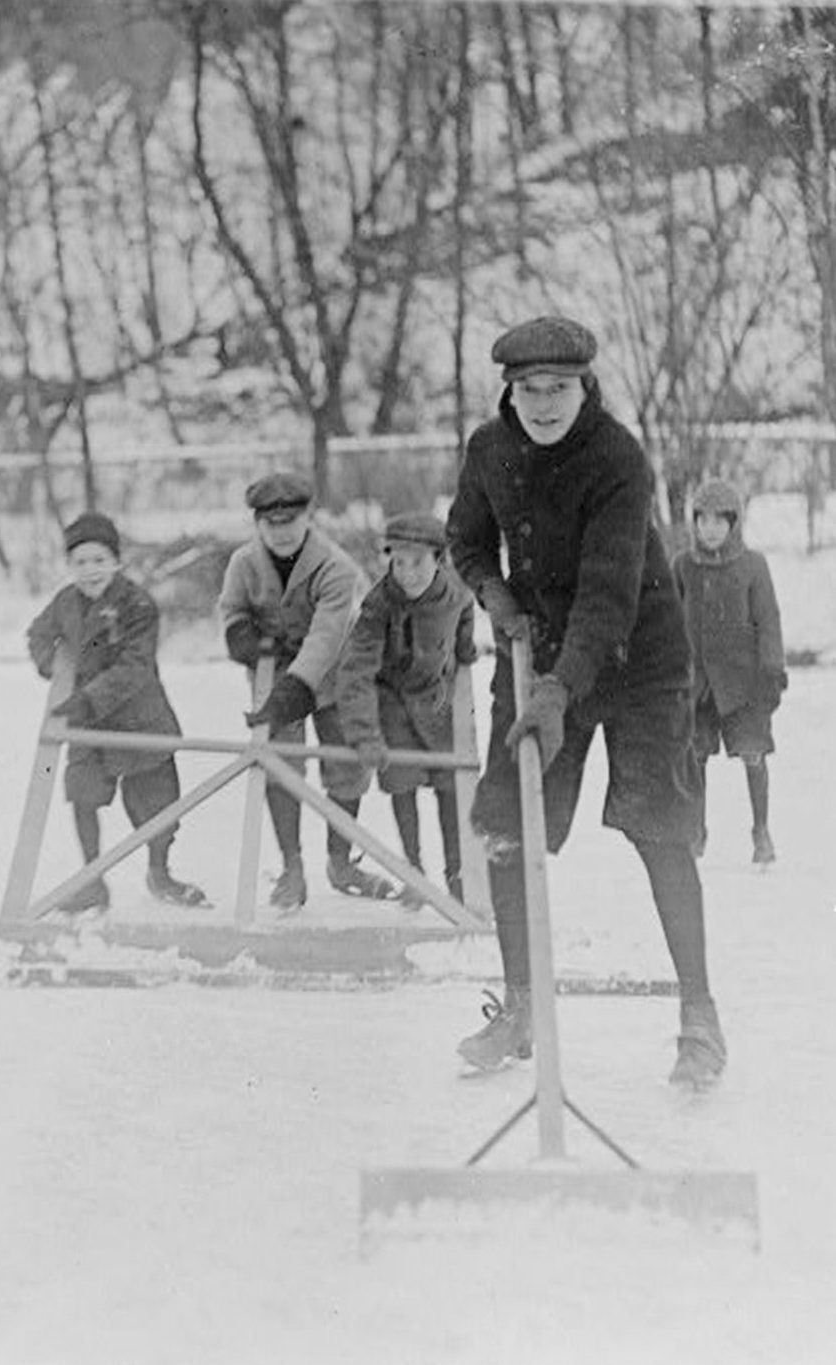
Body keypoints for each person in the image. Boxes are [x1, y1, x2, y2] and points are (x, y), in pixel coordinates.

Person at [447, 315, 725, 1090]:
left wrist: (557, 691)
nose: (542, 404)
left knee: (657, 827)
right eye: (528, 389)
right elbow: (464, 539)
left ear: (583, 386)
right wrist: (497, 598)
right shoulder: (488, 451)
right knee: (506, 822)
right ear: (509, 390)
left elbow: (606, 597)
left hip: (638, 658)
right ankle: (518, 1008)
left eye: (558, 388)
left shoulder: (615, 457)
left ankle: (699, 1017)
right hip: (538, 648)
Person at [224, 471, 395, 910]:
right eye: (271, 525)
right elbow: (231, 610)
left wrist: (290, 695)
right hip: (276, 674)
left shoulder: (336, 566)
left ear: (308, 518)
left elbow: (327, 637)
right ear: (259, 524)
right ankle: (291, 868)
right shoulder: (244, 563)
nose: (281, 534)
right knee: (281, 764)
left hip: (335, 672)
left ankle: (341, 863)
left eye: (291, 522)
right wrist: (242, 637)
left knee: (347, 763)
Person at [24, 511, 208, 916]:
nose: (90, 571)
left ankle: (160, 872)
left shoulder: (137, 603)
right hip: (86, 722)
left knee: (156, 807)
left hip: (139, 718)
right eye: (80, 562)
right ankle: (93, 882)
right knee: (83, 796)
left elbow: (134, 666)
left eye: (99, 561)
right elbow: (37, 635)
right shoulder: (65, 603)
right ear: (69, 566)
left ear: (116, 562)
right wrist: (52, 664)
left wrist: (87, 698)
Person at [334, 512, 477, 911]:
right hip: (392, 700)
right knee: (402, 782)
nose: (407, 573)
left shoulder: (454, 592)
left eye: (418, 562)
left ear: (439, 560)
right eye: (399, 562)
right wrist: (365, 734)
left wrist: (464, 648)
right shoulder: (379, 604)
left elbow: (466, 612)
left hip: (436, 699)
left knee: (450, 785)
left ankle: (457, 876)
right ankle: (414, 872)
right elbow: (354, 671)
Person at [673, 478, 786, 866]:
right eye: (703, 521)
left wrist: (772, 671)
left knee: (753, 756)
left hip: (744, 684)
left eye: (720, 521)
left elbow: (768, 620)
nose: (711, 529)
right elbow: (669, 621)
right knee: (695, 755)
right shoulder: (683, 566)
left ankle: (761, 831)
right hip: (699, 684)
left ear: (734, 524)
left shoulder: (753, 566)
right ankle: (695, 830)